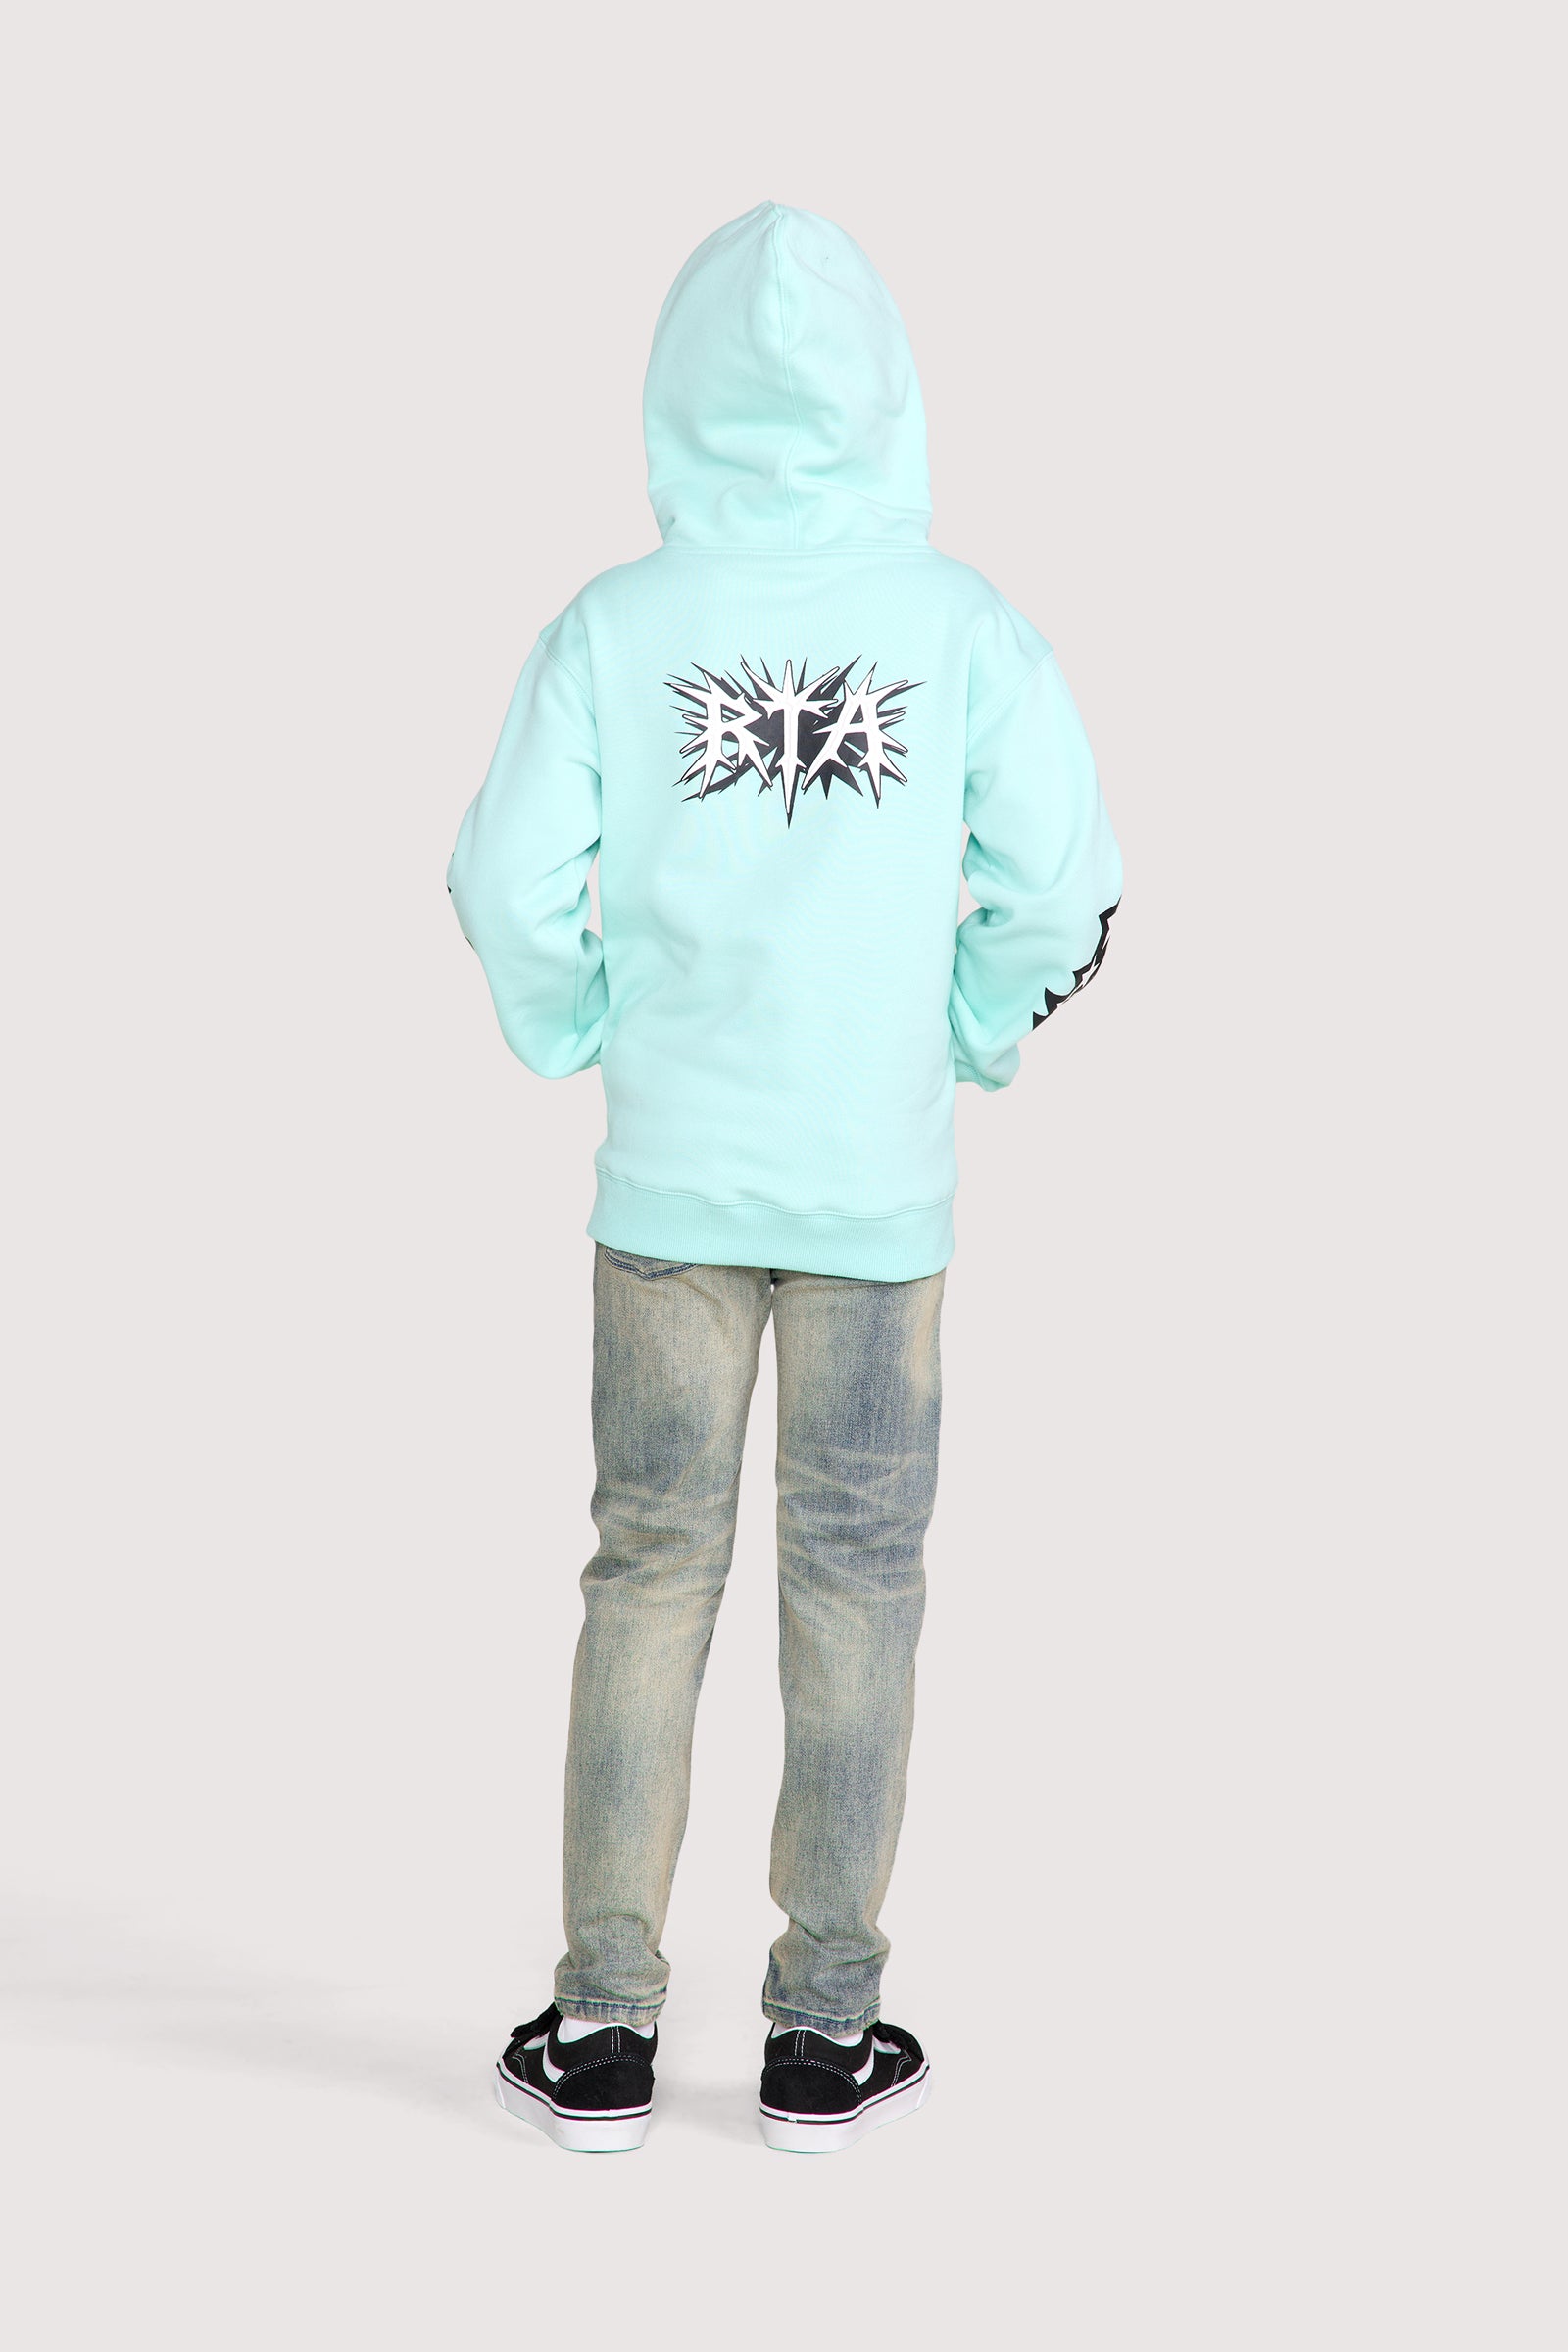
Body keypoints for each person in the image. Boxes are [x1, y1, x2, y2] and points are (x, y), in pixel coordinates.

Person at [448, 201, 1122, 2155]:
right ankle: (825, 2035)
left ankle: (600, 2028)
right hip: (873, 1197)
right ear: (889, 395)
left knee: (646, 1575)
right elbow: (1067, 883)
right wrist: (969, 1028)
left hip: (667, 1187)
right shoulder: (961, 626)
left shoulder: (611, 626)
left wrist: (578, 1025)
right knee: (860, 1583)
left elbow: (500, 879)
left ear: (674, 391)